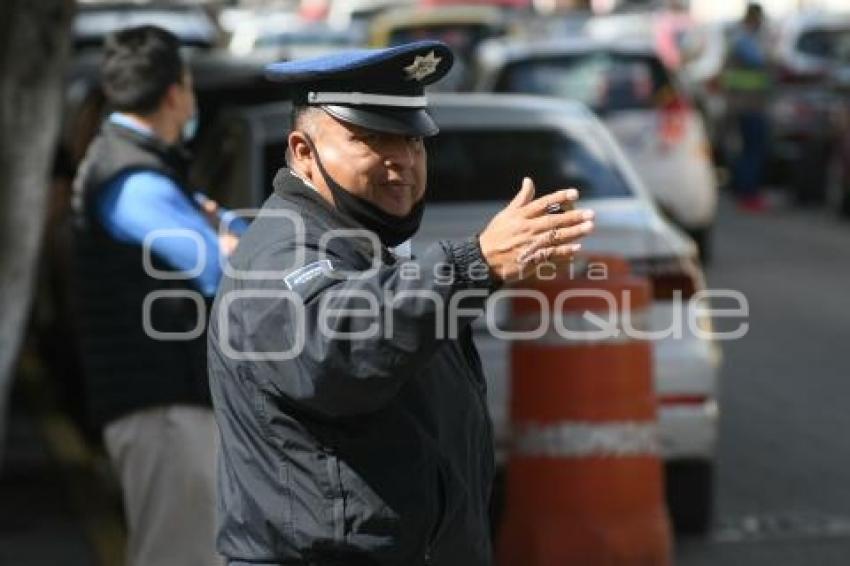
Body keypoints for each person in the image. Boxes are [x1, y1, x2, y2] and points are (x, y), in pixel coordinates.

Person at [207, 40, 595, 565]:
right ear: (303, 151)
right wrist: (473, 264)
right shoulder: (283, 249)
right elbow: (337, 352)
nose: (402, 162)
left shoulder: (366, 242)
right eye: (372, 139)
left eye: (413, 142)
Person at [70, 25, 238, 566]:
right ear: (174, 92)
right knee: (180, 555)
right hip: (163, 408)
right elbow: (219, 267)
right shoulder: (133, 180)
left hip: (169, 404)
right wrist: (224, 239)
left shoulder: (138, 167)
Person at [722, 2, 772, 212]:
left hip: (746, 105)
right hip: (748, 106)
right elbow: (760, 62)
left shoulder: (742, 38)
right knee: (753, 151)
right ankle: (747, 194)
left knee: (748, 150)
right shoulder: (745, 41)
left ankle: (745, 191)